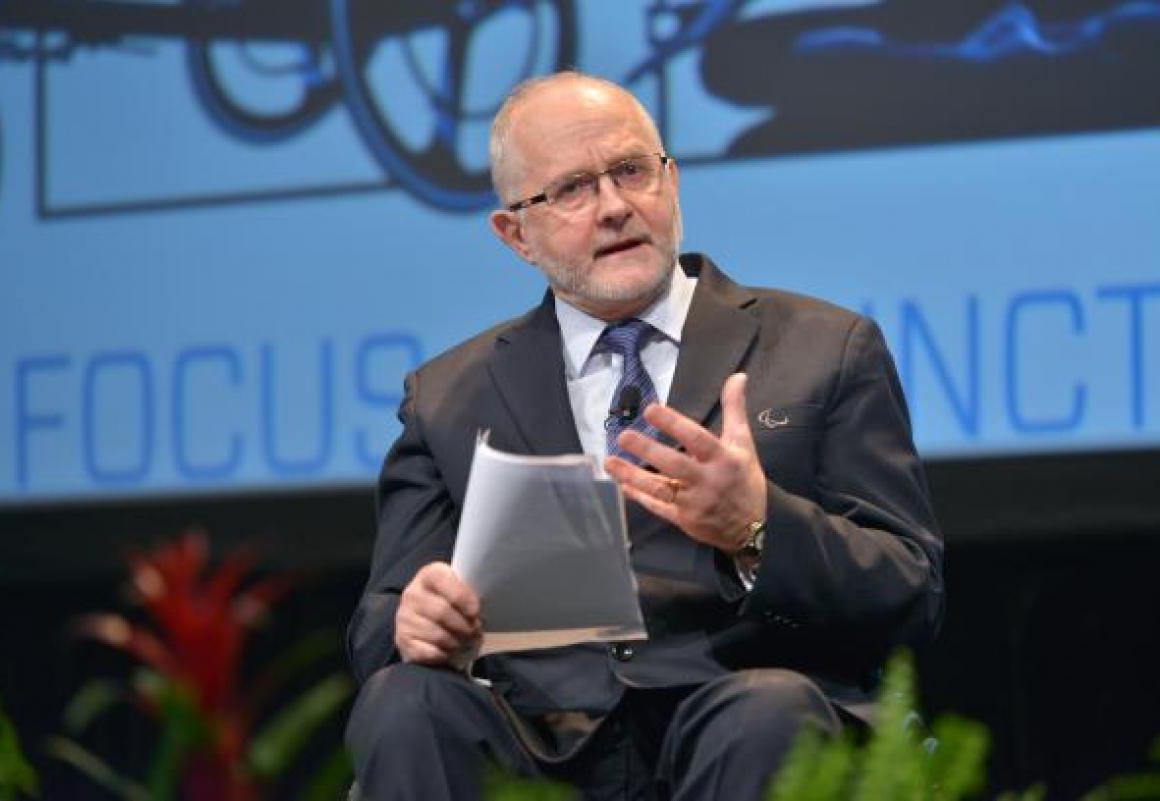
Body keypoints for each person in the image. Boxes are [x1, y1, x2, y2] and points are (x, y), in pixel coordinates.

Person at [344, 71, 943, 800]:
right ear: (515, 233)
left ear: (672, 181)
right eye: (571, 189)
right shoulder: (446, 396)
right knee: (405, 702)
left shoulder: (826, 347)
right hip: (541, 736)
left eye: (631, 171)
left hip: (739, 712)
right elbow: (379, 625)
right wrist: (418, 620)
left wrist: (757, 526)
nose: (615, 207)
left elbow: (910, 590)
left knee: (766, 713)